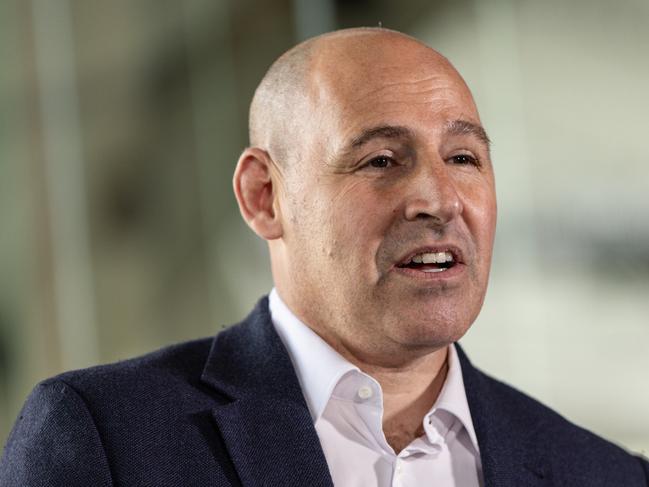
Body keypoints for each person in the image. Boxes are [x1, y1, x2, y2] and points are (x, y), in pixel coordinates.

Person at [1, 27, 647, 487]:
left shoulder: (602, 473)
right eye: (380, 160)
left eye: (462, 158)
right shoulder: (107, 440)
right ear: (264, 196)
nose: (438, 199)